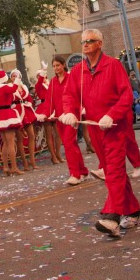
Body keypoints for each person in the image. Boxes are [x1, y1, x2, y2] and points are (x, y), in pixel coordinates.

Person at [62, 30, 140, 238]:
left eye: (89, 41)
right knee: (111, 170)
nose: (85, 44)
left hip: (115, 127)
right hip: (94, 127)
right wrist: (70, 112)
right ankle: (133, 210)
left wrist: (113, 114)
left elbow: (126, 94)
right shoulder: (78, 71)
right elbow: (70, 95)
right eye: (83, 42)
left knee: (114, 170)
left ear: (99, 43)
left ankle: (111, 216)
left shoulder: (113, 66)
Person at [46, 55, 88, 185]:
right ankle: (83, 171)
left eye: (58, 65)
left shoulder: (71, 78)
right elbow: (50, 100)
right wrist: (48, 113)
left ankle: (74, 173)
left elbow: (79, 94)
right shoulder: (52, 82)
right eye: (54, 66)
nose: (56, 68)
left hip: (71, 116)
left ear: (63, 65)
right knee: (70, 144)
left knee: (69, 143)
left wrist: (81, 108)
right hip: (59, 118)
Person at [0, 70, 25, 175]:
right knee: (10, 143)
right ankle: (14, 167)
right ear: (5, 78)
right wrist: (18, 77)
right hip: (8, 114)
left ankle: (5, 167)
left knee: (5, 142)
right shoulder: (5, 87)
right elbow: (14, 88)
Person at [9, 68, 38, 170]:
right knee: (20, 139)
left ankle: (32, 161)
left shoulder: (24, 87)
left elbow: (29, 99)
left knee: (32, 136)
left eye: (17, 75)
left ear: (20, 76)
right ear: (11, 78)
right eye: (13, 76)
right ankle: (25, 163)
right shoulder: (10, 88)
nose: (15, 77)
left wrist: (28, 104)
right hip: (17, 113)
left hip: (26, 111)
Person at [34, 64, 63, 165]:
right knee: (49, 134)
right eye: (39, 76)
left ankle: (58, 153)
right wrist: (43, 69)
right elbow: (40, 81)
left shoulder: (50, 83)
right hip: (44, 108)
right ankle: (53, 156)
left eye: (43, 75)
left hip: (53, 107)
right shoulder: (38, 85)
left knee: (58, 133)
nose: (42, 77)